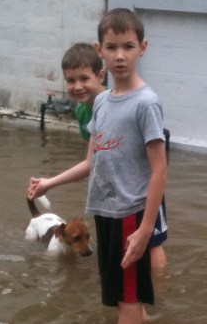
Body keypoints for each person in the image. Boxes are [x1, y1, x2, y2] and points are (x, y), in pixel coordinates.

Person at [29, 9, 168, 324]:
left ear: (142, 48)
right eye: (112, 47)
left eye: (128, 46)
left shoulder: (145, 103)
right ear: (99, 50)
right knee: (121, 297)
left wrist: (145, 230)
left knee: (128, 300)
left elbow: (160, 169)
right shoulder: (103, 102)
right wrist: (50, 182)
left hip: (130, 216)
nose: (120, 55)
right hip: (104, 213)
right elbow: (92, 161)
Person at [61, 40, 170, 275]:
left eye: (84, 79)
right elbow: (94, 160)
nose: (78, 86)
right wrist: (50, 182)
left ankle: (160, 289)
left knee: (152, 243)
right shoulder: (84, 111)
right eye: (71, 80)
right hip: (113, 196)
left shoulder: (127, 102)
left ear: (100, 76)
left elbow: (156, 164)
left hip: (140, 189)